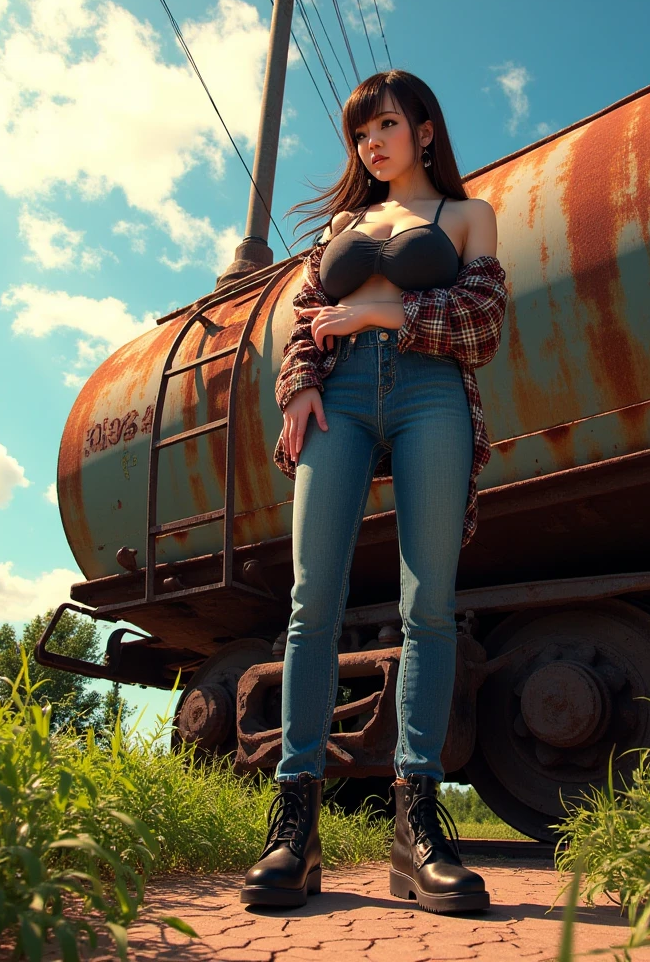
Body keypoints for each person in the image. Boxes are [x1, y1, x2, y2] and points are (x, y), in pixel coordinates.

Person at [242, 70, 507, 913]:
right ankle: (296, 829)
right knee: (311, 599)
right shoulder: (346, 226)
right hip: (340, 398)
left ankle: (416, 832)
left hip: (432, 390)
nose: (372, 145)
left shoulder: (467, 216)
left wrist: (380, 317)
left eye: (386, 126)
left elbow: (484, 319)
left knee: (428, 603)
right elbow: (304, 318)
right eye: (361, 134)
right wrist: (301, 386)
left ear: (425, 131)